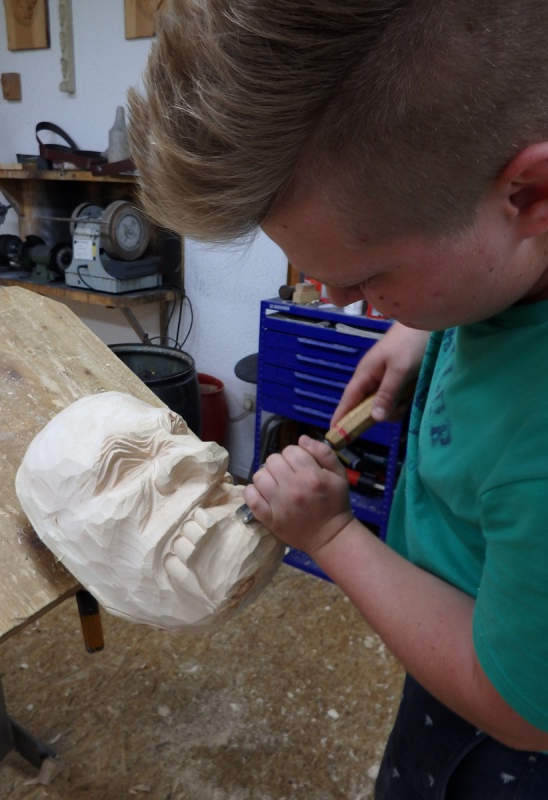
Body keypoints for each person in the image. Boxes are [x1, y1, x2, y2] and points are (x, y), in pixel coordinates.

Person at [127, 1, 548, 796]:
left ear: (530, 194)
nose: (337, 301)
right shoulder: (506, 254)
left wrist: (330, 534)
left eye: (366, 278)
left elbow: (521, 707)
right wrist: (420, 328)